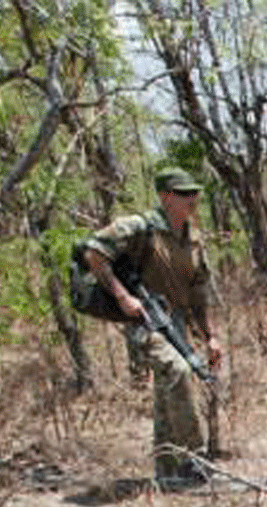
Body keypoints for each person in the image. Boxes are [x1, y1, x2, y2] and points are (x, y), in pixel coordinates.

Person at [81, 169, 224, 490]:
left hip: (175, 323)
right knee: (179, 371)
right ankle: (194, 461)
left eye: (194, 193)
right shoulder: (139, 226)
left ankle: (167, 470)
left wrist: (210, 336)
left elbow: (199, 294)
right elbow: (93, 252)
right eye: (184, 193)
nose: (193, 199)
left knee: (167, 390)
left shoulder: (195, 239)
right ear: (165, 196)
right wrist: (123, 296)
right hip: (142, 322)